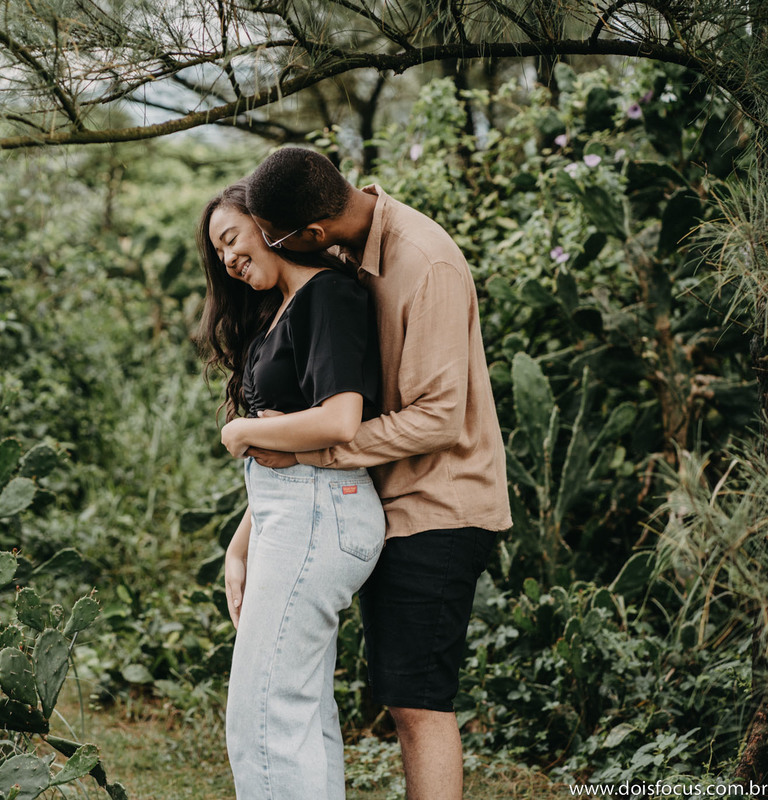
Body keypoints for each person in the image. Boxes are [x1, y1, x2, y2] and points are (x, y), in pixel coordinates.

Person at [240, 147, 513, 800]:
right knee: (398, 698)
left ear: (311, 233)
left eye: (276, 243)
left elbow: (439, 420)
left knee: (420, 703)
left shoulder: (427, 262)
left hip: (442, 504)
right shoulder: (347, 253)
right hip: (384, 500)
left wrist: (315, 452)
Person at [197, 182, 386, 799]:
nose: (226, 260)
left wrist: (240, 428)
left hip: (320, 512)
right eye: (217, 253)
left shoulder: (326, 295)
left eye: (231, 239)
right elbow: (279, 456)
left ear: (265, 222)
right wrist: (239, 543)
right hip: (294, 512)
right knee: (298, 711)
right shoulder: (280, 309)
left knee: (264, 716)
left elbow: (340, 421)